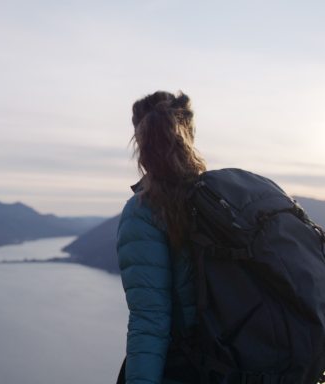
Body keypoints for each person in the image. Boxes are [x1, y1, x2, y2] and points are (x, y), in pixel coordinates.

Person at [116, 90, 205, 384]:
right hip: (239, 363)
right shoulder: (219, 199)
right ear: (189, 133)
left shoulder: (145, 210)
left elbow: (150, 321)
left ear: (140, 140)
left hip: (188, 368)